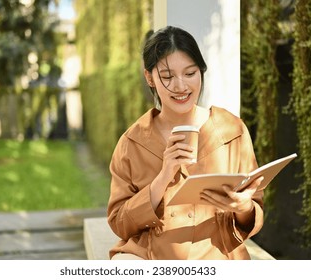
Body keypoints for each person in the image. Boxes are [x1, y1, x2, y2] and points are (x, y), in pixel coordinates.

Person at [107, 26, 264, 260]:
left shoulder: (232, 130)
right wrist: (162, 178)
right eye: (168, 77)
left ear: (201, 72)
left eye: (190, 74)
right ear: (149, 77)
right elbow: (120, 224)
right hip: (151, 259)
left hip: (219, 258)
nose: (181, 87)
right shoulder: (133, 142)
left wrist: (243, 207)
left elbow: (254, 214)